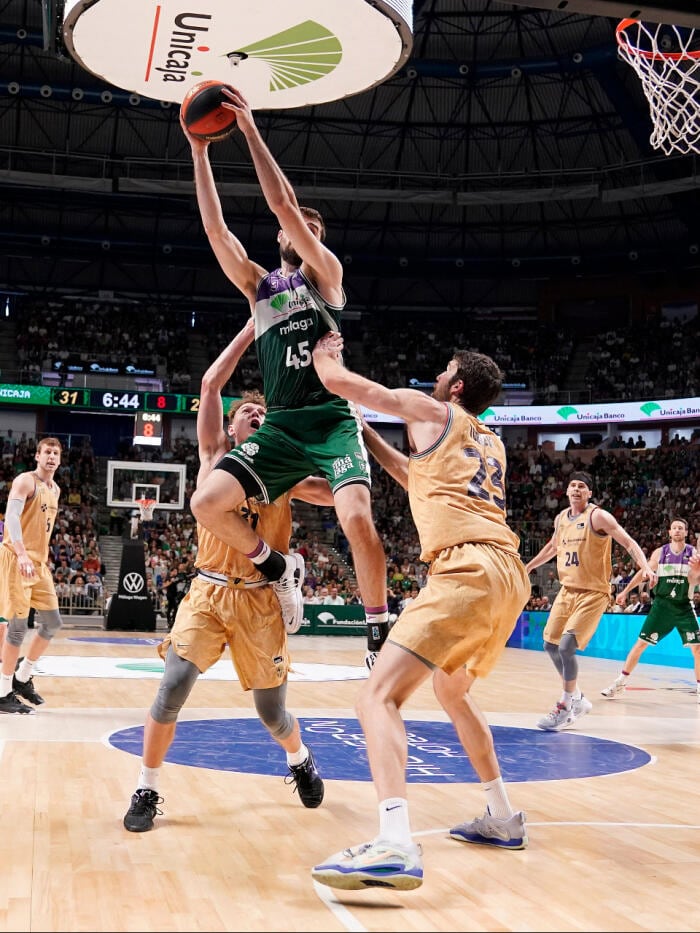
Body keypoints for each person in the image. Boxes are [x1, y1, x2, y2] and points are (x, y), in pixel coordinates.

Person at [310, 334, 530, 892]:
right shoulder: (491, 444)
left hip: (466, 570)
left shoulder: (433, 409)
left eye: (445, 370)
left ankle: (393, 841)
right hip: (510, 574)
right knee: (452, 692)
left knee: (376, 696)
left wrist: (322, 349)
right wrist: (366, 435)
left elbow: (341, 384)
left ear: (455, 386)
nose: (437, 376)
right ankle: (502, 815)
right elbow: (418, 478)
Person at [182, 86, 390, 669]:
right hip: (281, 427)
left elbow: (283, 206)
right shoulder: (261, 288)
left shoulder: (328, 277)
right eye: (300, 229)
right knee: (206, 502)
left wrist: (248, 131)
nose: (305, 232)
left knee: (355, 519)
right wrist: (199, 152)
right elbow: (217, 232)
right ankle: (277, 566)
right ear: (280, 243)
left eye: (311, 228)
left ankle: (377, 631)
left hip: (329, 422)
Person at [123, 319, 333, 832]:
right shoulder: (216, 458)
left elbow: (332, 491)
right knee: (171, 687)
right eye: (248, 412)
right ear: (232, 428)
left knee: (271, 714)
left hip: (262, 600)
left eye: (264, 411)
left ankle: (299, 757)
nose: (257, 415)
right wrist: (252, 329)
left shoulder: (284, 471)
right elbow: (210, 384)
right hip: (209, 591)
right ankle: (147, 787)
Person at [525, 471, 655, 732]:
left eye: (581, 486)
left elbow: (628, 543)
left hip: (593, 592)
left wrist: (645, 568)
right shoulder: (561, 518)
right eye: (572, 485)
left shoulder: (598, 516)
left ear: (589, 493)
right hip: (567, 590)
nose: (575, 489)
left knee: (565, 647)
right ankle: (578, 699)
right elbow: (552, 547)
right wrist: (527, 567)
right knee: (550, 645)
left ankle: (565, 704)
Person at [602, 518, 700, 703]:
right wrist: (625, 591)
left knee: (698, 648)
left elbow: (696, 581)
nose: (677, 530)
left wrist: (696, 572)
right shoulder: (660, 552)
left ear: (686, 533)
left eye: (681, 528)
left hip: (684, 607)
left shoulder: (693, 553)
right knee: (640, 645)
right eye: (674, 528)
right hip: (661, 607)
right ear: (669, 532)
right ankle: (620, 682)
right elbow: (643, 573)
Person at [0, 437, 65, 714]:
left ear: (59, 459)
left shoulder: (56, 489)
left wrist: (35, 557)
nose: (51, 456)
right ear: (37, 456)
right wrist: (23, 554)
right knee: (16, 628)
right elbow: (11, 517)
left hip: (38, 564)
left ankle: (22, 677)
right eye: (47, 452)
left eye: (56, 453)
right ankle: (3, 693)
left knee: (52, 622)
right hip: (17, 558)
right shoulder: (25, 481)